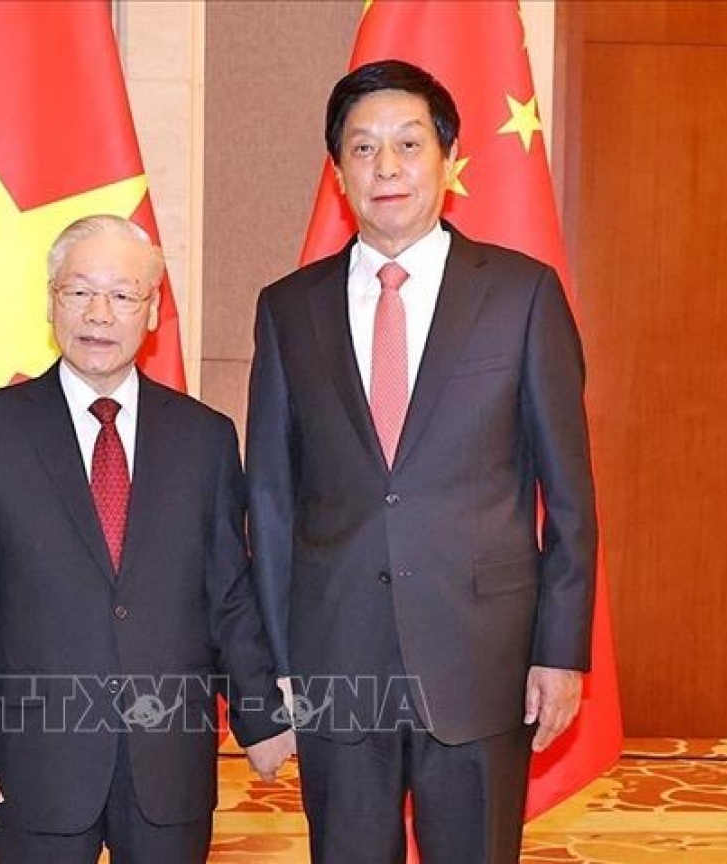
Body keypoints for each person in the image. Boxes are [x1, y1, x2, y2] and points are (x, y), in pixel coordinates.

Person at [245, 60, 598, 863]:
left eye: (408, 144)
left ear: (447, 159)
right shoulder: (288, 308)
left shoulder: (522, 295)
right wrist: (277, 665)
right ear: (338, 173)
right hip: (337, 658)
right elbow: (270, 499)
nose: (387, 167)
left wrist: (560, 648)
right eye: (363, 149)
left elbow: (571, 497)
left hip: (483, 656)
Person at [0, 214, 296, 863]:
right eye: (79, 291)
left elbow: (228, 595)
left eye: (123, 295)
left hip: (169, 757)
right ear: (52, 302)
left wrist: (260, 714)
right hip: (33, 762)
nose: (99, 314)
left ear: (151, 313)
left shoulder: (204, 438)